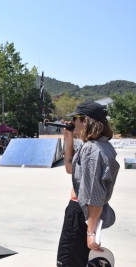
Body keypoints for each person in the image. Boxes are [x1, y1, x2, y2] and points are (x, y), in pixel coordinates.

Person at [57, 101, 120, 267]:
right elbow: (71, 169)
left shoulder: (92, 150)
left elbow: (95, 194)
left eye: (76, 119)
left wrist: (91, 233)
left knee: (67, 263)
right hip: (85, 213)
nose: (73, 123)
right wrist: (69, 139)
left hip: (80, 213)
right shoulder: (101, 146)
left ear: (85, 120)